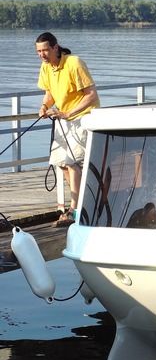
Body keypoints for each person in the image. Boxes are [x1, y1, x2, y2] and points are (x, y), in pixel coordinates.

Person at [36, 32, 100, 227]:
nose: (42, 55)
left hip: (82, 117)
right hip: (63, 118)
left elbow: (91, 95)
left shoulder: (74, 63)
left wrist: (68, 113)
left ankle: (74, 210)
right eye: (39, 51)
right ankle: (80, 203)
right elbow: (50, 94)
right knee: (61, 163)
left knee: (73, 164)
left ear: (56, 47)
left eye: (45, 50)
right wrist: (44, 106)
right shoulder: (46, 67)